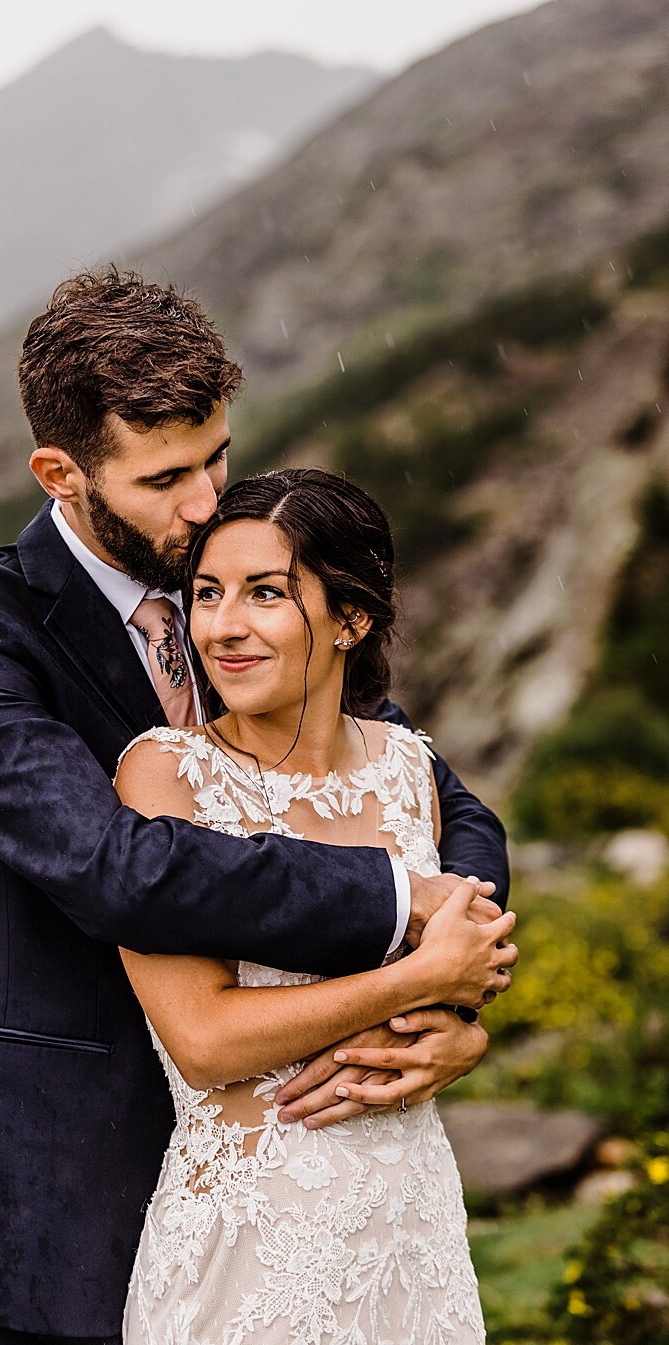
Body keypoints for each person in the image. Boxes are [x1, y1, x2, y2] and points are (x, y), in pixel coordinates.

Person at [0, 268, 512, 1345]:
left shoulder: (239, 577)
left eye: (218, 457)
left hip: (341, 1169)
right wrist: (401, 911)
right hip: (84, 1179)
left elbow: (439, 797)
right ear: (62, 471)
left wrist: (455, 1000)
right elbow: (117, 868)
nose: (203, 501)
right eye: (166, 476)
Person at [116, 468, 510, 1342]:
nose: (223, 626)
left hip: (413, 1230)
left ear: (351, 619)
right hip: (255, 1247)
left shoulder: (410, 768)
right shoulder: (167, 775)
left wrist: (465, 1028)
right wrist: (419, 982)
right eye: (209, 593)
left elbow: (470, 964)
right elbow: (206, 1040)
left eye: (266, 593)